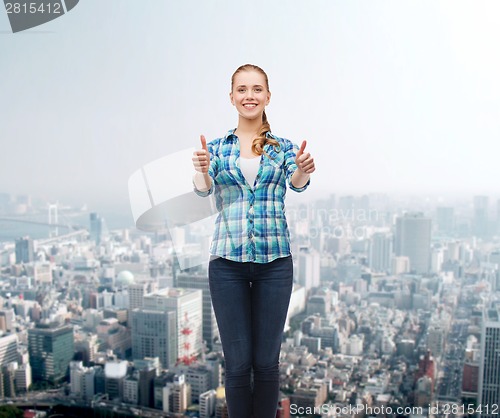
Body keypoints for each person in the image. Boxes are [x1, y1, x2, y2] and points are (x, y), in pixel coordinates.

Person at [192, 64, 315, 418]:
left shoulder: (284, 147)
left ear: (267, 96)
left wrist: (304, 169)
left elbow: (298, 183)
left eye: (257, 89)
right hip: (226, 263)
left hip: (274, 263)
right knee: (237, 363)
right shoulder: (216, 147)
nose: (250, 96)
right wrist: (201, 171)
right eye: (242, 90)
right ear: (232, 98)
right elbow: (203, 192)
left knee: (265, 363)